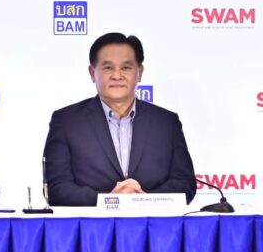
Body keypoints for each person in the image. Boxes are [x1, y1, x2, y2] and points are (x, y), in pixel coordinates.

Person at [43, 32, 196, 206]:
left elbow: (185, 184)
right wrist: (110, 200)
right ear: (92, 73)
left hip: (154, 223)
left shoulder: (167, 123)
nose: (117, 76)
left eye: (126, 67)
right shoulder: (67, 122)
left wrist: (144, 200)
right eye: (108, 68)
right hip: (92, 223)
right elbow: (56, 189)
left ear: (139, 72)